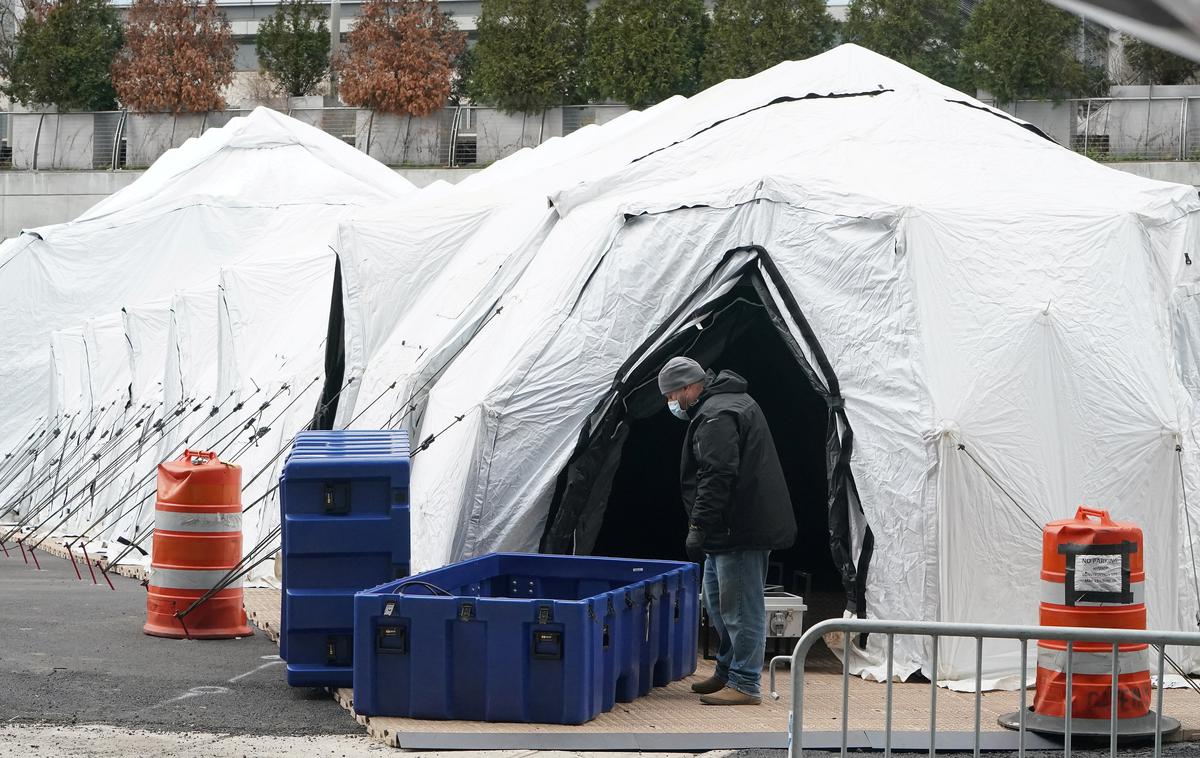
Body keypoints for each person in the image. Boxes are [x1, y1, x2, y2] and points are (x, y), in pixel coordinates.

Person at [658, 356, 797, 706]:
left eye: (672, 395)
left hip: (739, 529)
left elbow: (716, 475)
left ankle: (746, 683)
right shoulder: (725, 404)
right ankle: (727, 670)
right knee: (720, 604)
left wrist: (697, 525)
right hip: (730, 529)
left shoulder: (717, 414)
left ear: (690, 387)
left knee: (739, 607)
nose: (670, 403)